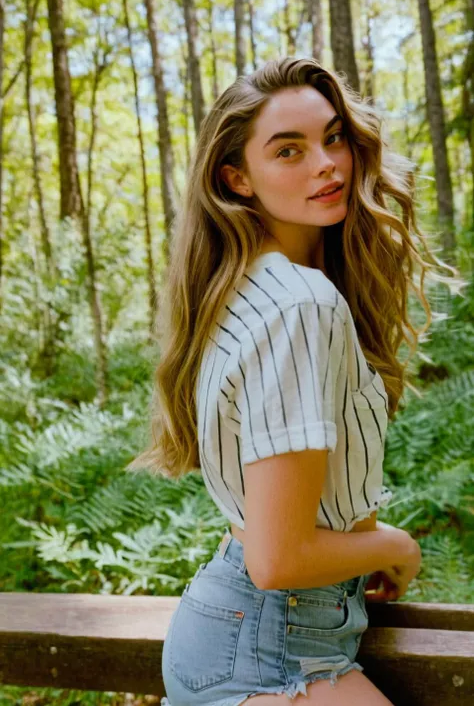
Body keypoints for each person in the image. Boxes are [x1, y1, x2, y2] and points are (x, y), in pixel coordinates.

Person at [127, 56, 461, 705]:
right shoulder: (299, 302)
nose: (327, 163)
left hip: (252, 634)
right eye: (289, 150)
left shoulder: (244, 290)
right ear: (237, 179)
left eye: (333, 137)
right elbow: (278, 559)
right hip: (269, 654)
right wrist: (395, 544)